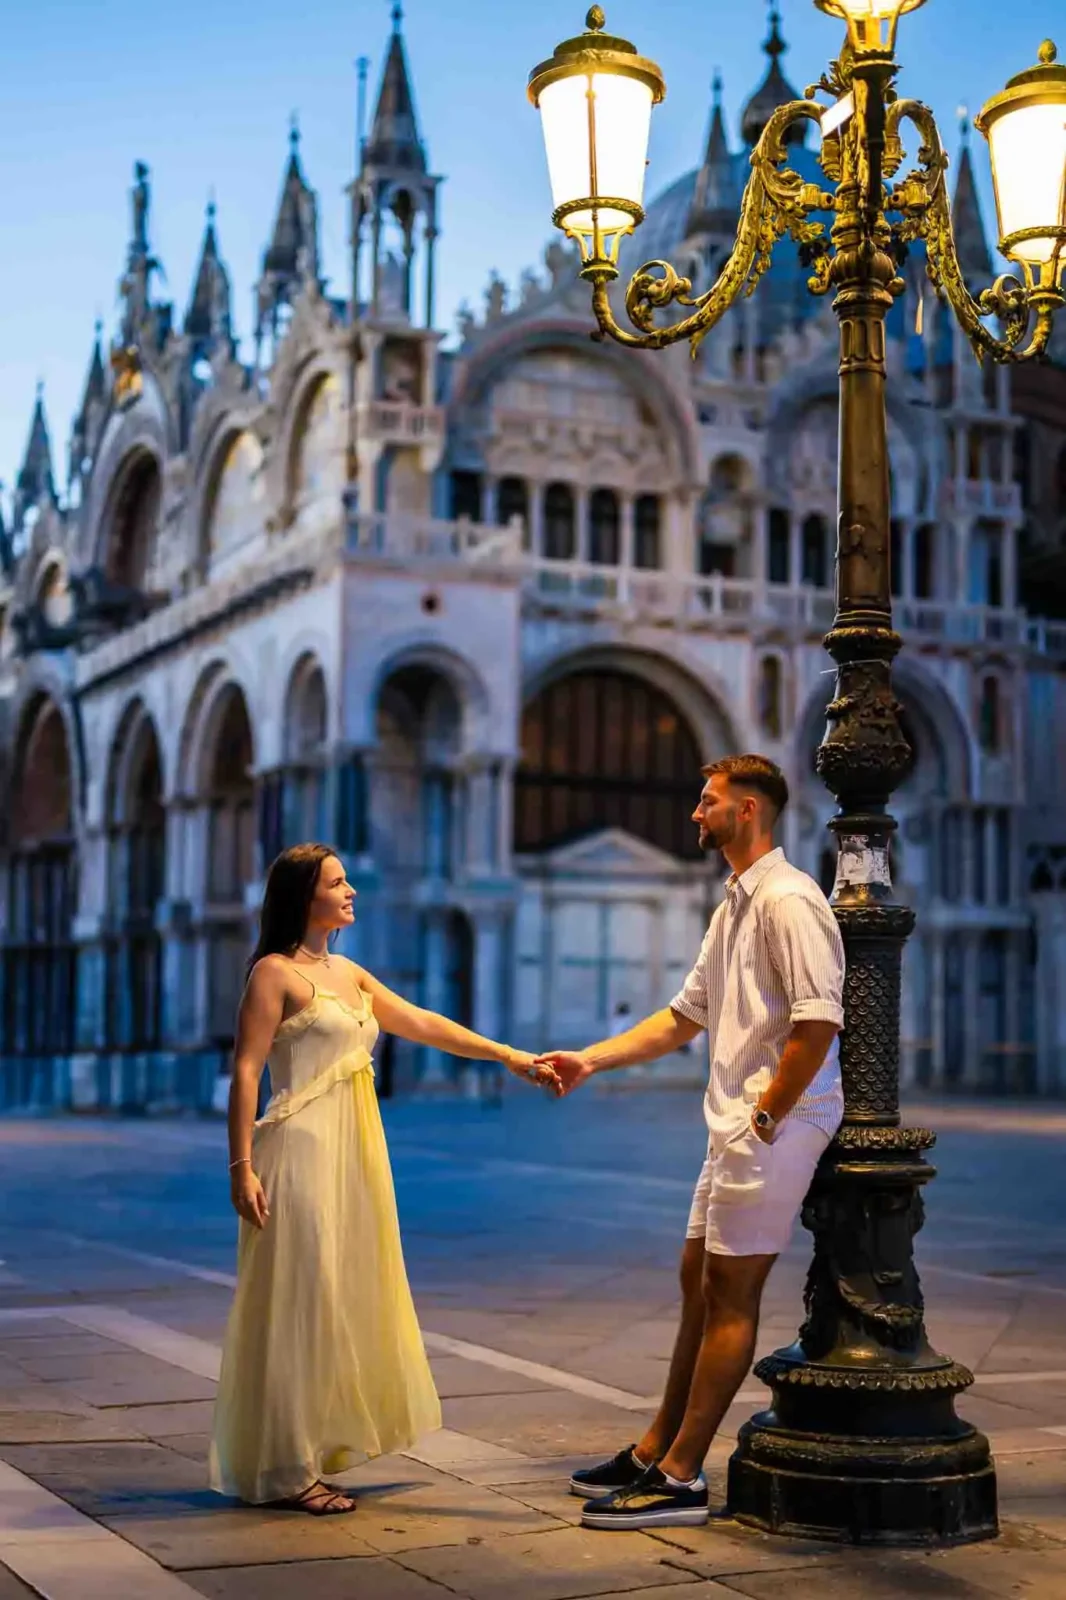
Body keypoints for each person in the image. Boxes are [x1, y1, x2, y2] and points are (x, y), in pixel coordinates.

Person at [536, 755, 844, 1531]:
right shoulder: (734, 905)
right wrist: (592, 1059)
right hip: (737, 1124)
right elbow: (683, 1017)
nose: (694, 814)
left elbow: (818, 1021)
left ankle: (680, 1477)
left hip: (776, 1121)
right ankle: (654, 1447)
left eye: (707, 803)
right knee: (697, 1286)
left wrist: (769, 1115)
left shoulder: (790, 899)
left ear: (748, 811)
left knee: (732, 1295)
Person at [209, 842, 557, 1515]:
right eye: (337, 884)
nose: (351, 893)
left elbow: (423, 1023)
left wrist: (508, 1056)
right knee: (297, 1300)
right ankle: (284, 1466)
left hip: (354, 1152)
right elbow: (247, 1071)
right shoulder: (272, 976)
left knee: (336, 1296)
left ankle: (311, 1446)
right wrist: (239, 1167)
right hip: (298, 1149)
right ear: (303, 897)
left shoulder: (350, 973)